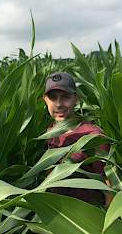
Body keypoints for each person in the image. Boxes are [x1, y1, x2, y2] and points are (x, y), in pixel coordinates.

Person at [43, 72, 111, 207]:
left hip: (86, 214)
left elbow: (109, 184)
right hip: (58, 209)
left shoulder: (93, 135)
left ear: (76, 99)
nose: (58, 104)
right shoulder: (50, 131)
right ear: (45, 99)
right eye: (53, 98)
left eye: (65, 97)